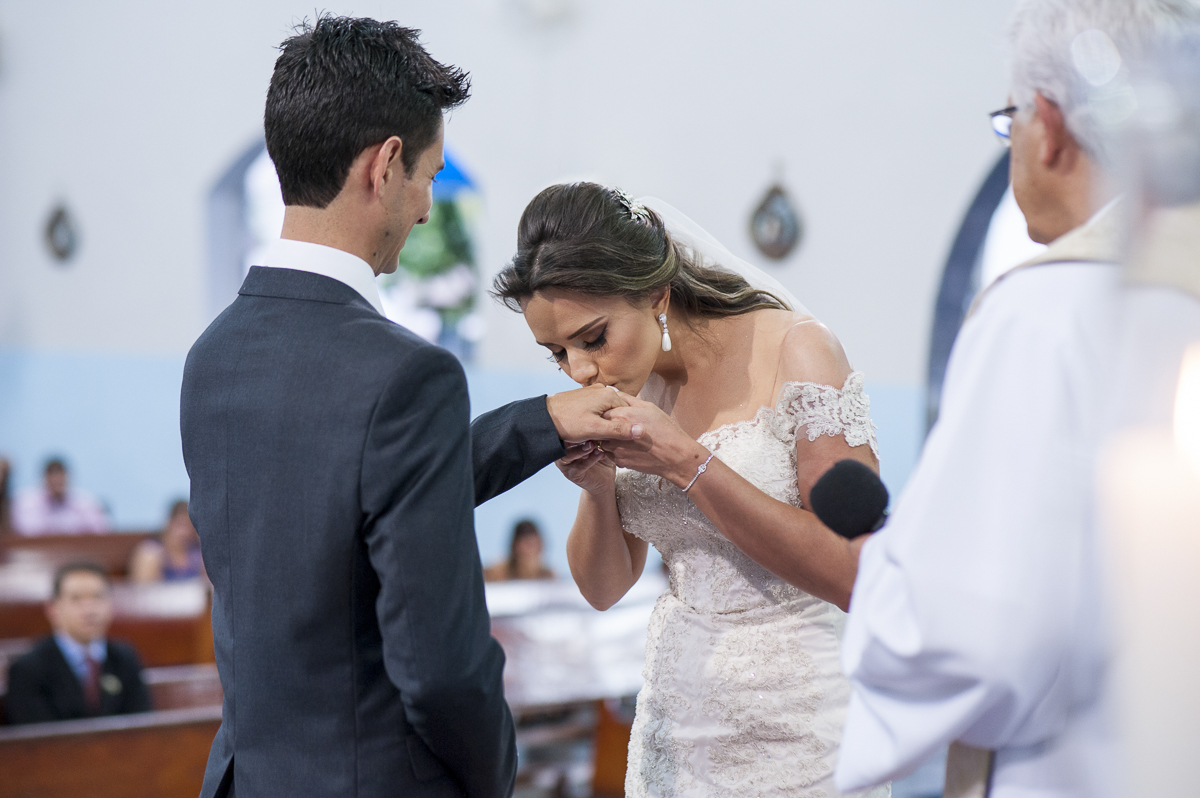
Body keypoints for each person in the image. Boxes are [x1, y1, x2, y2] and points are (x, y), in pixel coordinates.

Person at [180, 18, 637, 798]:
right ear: (385, 165)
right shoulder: (406, 374)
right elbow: (441, 667)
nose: (427, 207)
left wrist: (540, 422)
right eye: (429, 174)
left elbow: (341, 512)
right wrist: (493, 774)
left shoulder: (213, 355)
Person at [833, 3, 1200, 798]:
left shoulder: (1045, 312)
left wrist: (887, 576)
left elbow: (975, 637)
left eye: (1009, 122)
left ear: (1049, 124)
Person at [492, 183, 885, 797]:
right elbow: (603, 588)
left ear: (657, 294)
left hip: (798, 724)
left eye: (593, 338)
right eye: (557, 354)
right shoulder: (630, 387)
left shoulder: (797, 351)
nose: (581, 371)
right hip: (674, 727)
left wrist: (686, 463)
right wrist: (597, 489)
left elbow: (855, 574)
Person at [5, 562, 151, 724]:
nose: (89, 610)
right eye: (76, 599)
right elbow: (34, 742)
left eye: (97, 597)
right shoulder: (28, 669)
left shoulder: (125, 657)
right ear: (53, 609)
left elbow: (142, 728)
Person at [12, 458, 109, 536]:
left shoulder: (84, 502)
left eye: (60, 475)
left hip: (77, 554)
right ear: (44, 479)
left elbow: (101, 530)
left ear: (67, 477)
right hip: (38, 555)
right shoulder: (28, 502)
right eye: (52, 475)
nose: (57, 480)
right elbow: (27, 530)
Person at [129, 500, 205, 583]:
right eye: (181, 525)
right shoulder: (150, 552)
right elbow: (143, 590)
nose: (186, 532)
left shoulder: (198, 555)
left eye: (191, 527)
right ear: (169, 523)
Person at [484, 519, 555, 581]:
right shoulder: (497, 573)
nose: (531, 551)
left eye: (535, 545)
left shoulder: (547, 576)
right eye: (528, 545)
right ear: (515, 547)